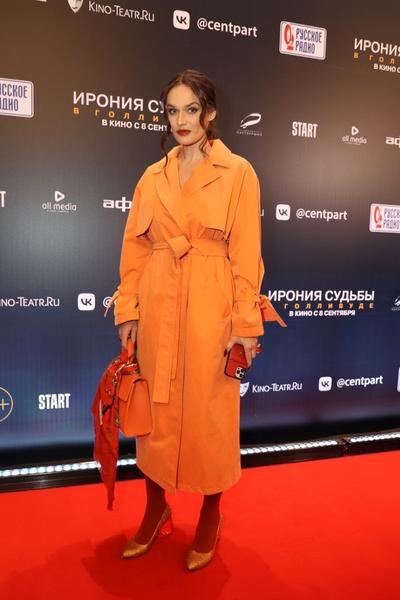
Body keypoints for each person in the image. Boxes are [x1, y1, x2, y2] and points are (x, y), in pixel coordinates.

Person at [110, 69, 285, 571]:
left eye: (191, 109)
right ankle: (156, 507)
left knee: (211, 414)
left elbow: (246, 254)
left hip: (212, 304)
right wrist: (129, 309)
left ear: (209, 112)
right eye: (172, 110)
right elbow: (134, 249)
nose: (181, 120)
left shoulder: (238, 172)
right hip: (158, 300)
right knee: (154, 412)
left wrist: (244, 325)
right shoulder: (152, 176)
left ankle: (211, 513)